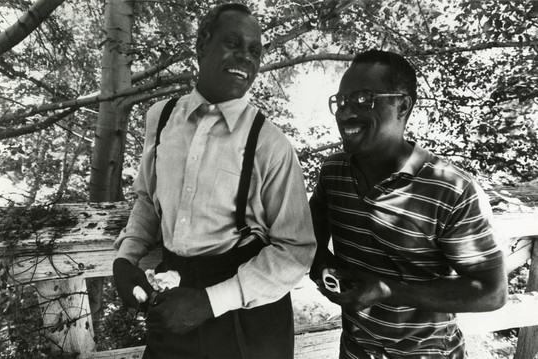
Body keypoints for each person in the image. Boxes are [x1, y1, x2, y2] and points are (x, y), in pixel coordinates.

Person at [112, 3, 316, 358]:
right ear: (202, 45)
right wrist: (126, 260)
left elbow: (297, 250)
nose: (246, 57)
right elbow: (148, 199)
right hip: (172, 303)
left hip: (245, 317)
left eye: (255, 50)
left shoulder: (271, 144)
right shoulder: (160, 119)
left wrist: (210, 302)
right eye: (233, 43)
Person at [309, 49, 508, 359]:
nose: (346, 112)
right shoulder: (333, 172)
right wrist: (320, 262)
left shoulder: (450, 188)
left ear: (402, 105)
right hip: (354, 350)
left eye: (363, 99)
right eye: (342, 101)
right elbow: (310, 229)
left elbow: (492, 293)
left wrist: (387, 290)